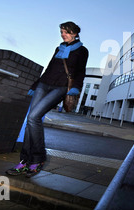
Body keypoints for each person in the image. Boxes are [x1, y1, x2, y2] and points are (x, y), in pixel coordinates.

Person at [6, 21, 88, 177]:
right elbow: (49, 67)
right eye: (62, 32)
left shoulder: (82, 51)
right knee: (31, 122)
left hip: (61, 87)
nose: (63, 34)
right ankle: (24, 161)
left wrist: (76, 87)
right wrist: (35, 85)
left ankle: (38, 159)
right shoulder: (59, 48)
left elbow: (80, 71)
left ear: (75, 33)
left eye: (66, 32)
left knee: (33, 117)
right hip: (44, 84)